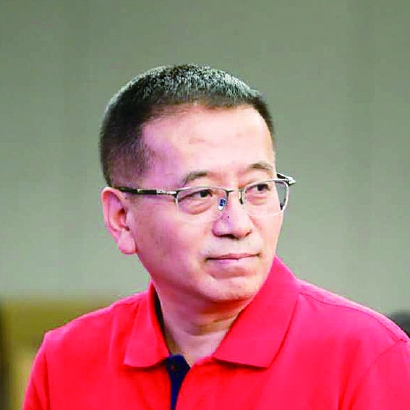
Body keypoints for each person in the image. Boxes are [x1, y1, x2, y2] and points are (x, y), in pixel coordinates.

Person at [23, 64, 410, 410]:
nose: (238, 224)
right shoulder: (67, 360)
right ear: (122, 218)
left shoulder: (367, 356)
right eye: (201, 194)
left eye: (258, 188)